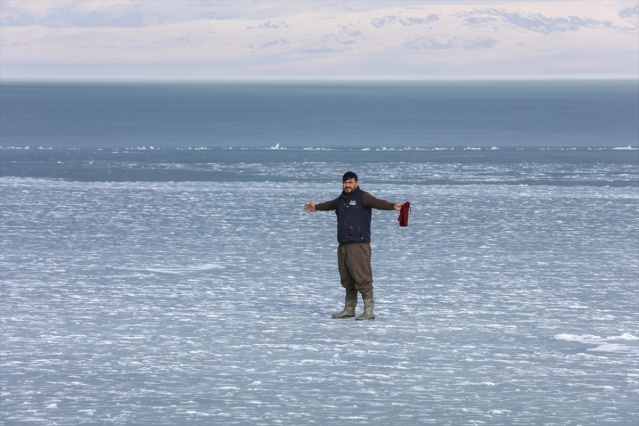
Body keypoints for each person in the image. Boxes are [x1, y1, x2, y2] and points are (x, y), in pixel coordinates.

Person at [304, 171, 404, 320]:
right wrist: (316, 207)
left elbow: (377, 203)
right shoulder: (341, 200)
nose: (347, 185)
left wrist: (393, 206)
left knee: (362, 277)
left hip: (359, 244)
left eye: (350, 182)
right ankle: (349, 309)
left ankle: (369, 311)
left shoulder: (363, 197)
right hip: (343, 244)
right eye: (345, 183)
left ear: (356, 183)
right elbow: (330, 204)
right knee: (347, 278)